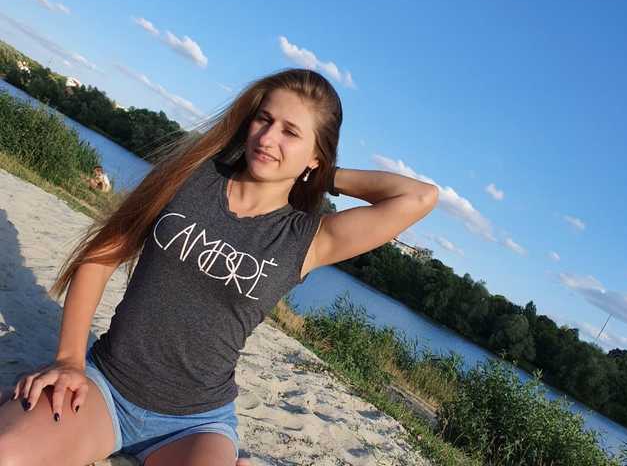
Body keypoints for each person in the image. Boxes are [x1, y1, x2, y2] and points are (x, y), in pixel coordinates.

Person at [0, 68, 439, 465]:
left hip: (193, 425)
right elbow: (103, 255)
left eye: (290, 132)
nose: (268, 138)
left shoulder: (306, 239)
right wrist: (69, 360)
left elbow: (420, 197)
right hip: (107, 388)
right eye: (264, 119)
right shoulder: (192, 175)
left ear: (315, 156)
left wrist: (325, 175)